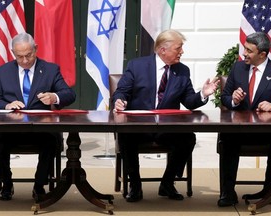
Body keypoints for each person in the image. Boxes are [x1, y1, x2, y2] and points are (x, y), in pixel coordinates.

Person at [112, 29, 219, 202]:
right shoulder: (137, 66)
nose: (182, 52)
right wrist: (119, 101)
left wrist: (203, 94)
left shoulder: (182, 71)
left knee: (188, 139)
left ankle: (167, 183)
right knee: (126, 137)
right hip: (139, 126)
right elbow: (122, 91)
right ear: (163, 50)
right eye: (179, 48)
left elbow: (189, 101)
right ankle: (135, 185)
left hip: (167, 127)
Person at [0, 32, 76, 201]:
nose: (25, 61)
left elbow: (69, 94)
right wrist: (7, 105)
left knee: (51, 141)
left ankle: (39, 185)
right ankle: (6, 183)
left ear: (36, 49)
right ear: (13, 53)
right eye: (20, 57)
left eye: (29, 55)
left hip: (41, 128)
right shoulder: (3, 72)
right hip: (10, 129)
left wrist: (54, 97)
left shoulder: (50, 70)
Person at [218, 32, 271, 207]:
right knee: (227, 139)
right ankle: (228, 192)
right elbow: (224, 97)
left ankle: (268, 191)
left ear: (262, 54)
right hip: (239, 130)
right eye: (244, 48)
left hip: (266, 131)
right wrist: (233, 99)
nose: (244, 53)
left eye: (249, 50)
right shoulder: (238, 68)